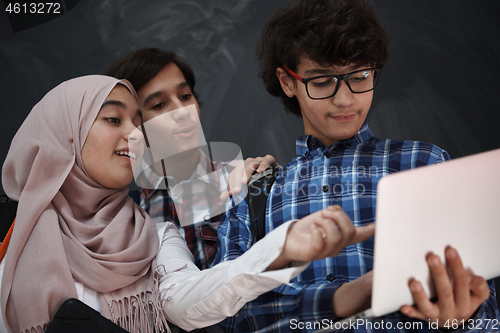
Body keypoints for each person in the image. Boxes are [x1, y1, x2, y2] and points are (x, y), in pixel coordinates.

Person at [0, 75, 375, 333]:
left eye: (136, 122)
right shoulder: (13, 243)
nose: (134, 135)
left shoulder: (153, 231)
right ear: (63, 136)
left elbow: (185, 301)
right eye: (113, 118)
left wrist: (279, 250)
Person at [214, 0, 500, 332]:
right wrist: (348, 297)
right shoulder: (254, 190)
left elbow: (486, 310)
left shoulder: (426, 164)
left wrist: (460, 318)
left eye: (361, 76)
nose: (345, 100)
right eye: (322, 82)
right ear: (288, 82)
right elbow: (228, 312)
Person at [106, 48, 277, 271]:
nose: (182, 111)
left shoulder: (243, 179)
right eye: (159, 105)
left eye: (185, 96)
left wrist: (277, 183)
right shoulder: (126, 215)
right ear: (134, 125)